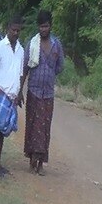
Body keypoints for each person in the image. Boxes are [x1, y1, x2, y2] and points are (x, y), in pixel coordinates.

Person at [20, 10, 64, 176]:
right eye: (41, 26)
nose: (43, 29)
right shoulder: (32, 44)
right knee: (32, 125)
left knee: (44, 127)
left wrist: (49, 74)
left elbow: (60, 66)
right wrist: (19, 90)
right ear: (38, 27)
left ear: (50, 26)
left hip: (48, 94)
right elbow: (25, 67)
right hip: (33, 91)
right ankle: (32, 159)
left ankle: (40, 162)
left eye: (46, 26)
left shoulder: (56, 45)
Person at [0, 16, 24, 176]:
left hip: (12, 96)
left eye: (18, 30)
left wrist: (19, 93)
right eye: (13, 30)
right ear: (8, 29)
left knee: (3, 131)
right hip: (0, 93)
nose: (16, 33)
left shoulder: (21, 50)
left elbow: (19, 74)